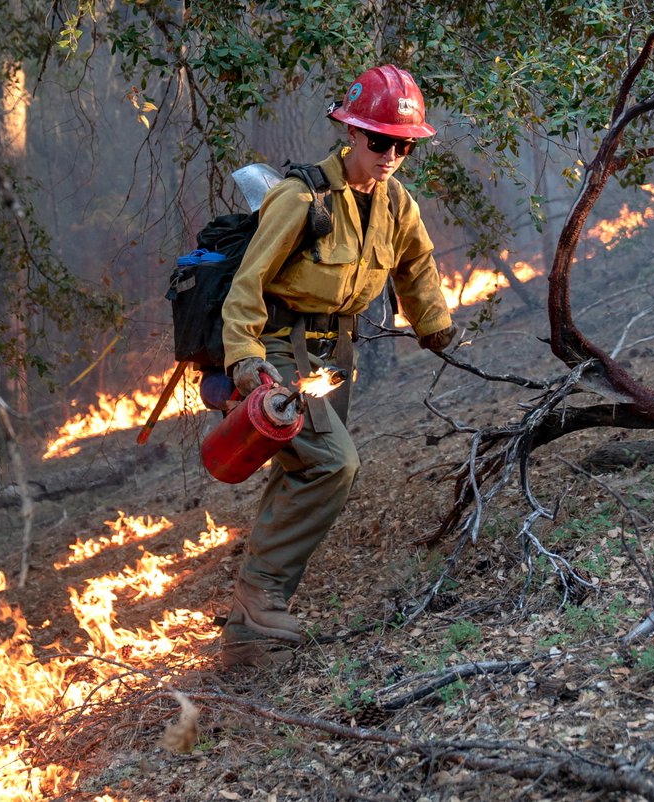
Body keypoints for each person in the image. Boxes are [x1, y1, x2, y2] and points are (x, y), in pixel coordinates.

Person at [217, 64, 457, 669]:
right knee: (333, 464)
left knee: (303, 470)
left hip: (332, 356)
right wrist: (247, 362)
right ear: (349, 134)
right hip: (277, 350)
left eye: (402, 145)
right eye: (379, 142)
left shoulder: (396, 204)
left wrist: (434, 326)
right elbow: (246, 287)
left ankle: (249, 629)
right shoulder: (300, 199)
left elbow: (416, 266)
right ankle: (259, 596)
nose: (390, 156)